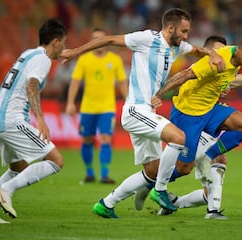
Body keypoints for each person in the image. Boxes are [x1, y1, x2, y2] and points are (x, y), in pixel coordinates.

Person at [60, 8, 225, 218]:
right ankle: (161, 190)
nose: (186, 36)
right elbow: (109, 40)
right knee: (178, 137)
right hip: (135, 110)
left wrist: (213, 54)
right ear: (170, 27)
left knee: (153, 171)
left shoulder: (178, 46)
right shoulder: (147, 38)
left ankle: (106, 204)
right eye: (183, 31)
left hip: (147, 113)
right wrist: (75, 52)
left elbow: (197, 49)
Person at [137, 35, 242, 219]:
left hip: (209, 109)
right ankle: (150, 183)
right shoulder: (217, 60)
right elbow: (184, 74)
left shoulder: (235, 56)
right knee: (184, 168)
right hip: (189, 114)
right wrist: (159, 95)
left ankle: (208, 156)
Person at [0, 19, 67, 224]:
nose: (65, 47)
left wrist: (68, 53)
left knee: (18, 167)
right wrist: (41, 119)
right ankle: (5, 190)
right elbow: (32, 85)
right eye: (64, 42)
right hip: (12, 120)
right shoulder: (42, 60)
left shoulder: (28, 53)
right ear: (55, 42)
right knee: (56, 160)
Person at [66, 28, 128, 184]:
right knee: (87, 140)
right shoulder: (84, 59)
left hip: (107, 107)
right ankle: (89, 173)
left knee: (106, 138)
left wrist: (128, 101)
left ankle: (104, 174)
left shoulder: (115, 59)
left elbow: (122, 82)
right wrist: (70, 103)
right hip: (87, 108)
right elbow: (75, 81)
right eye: (94, 39)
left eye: (100, 38)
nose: (97, 42)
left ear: (106, 41)